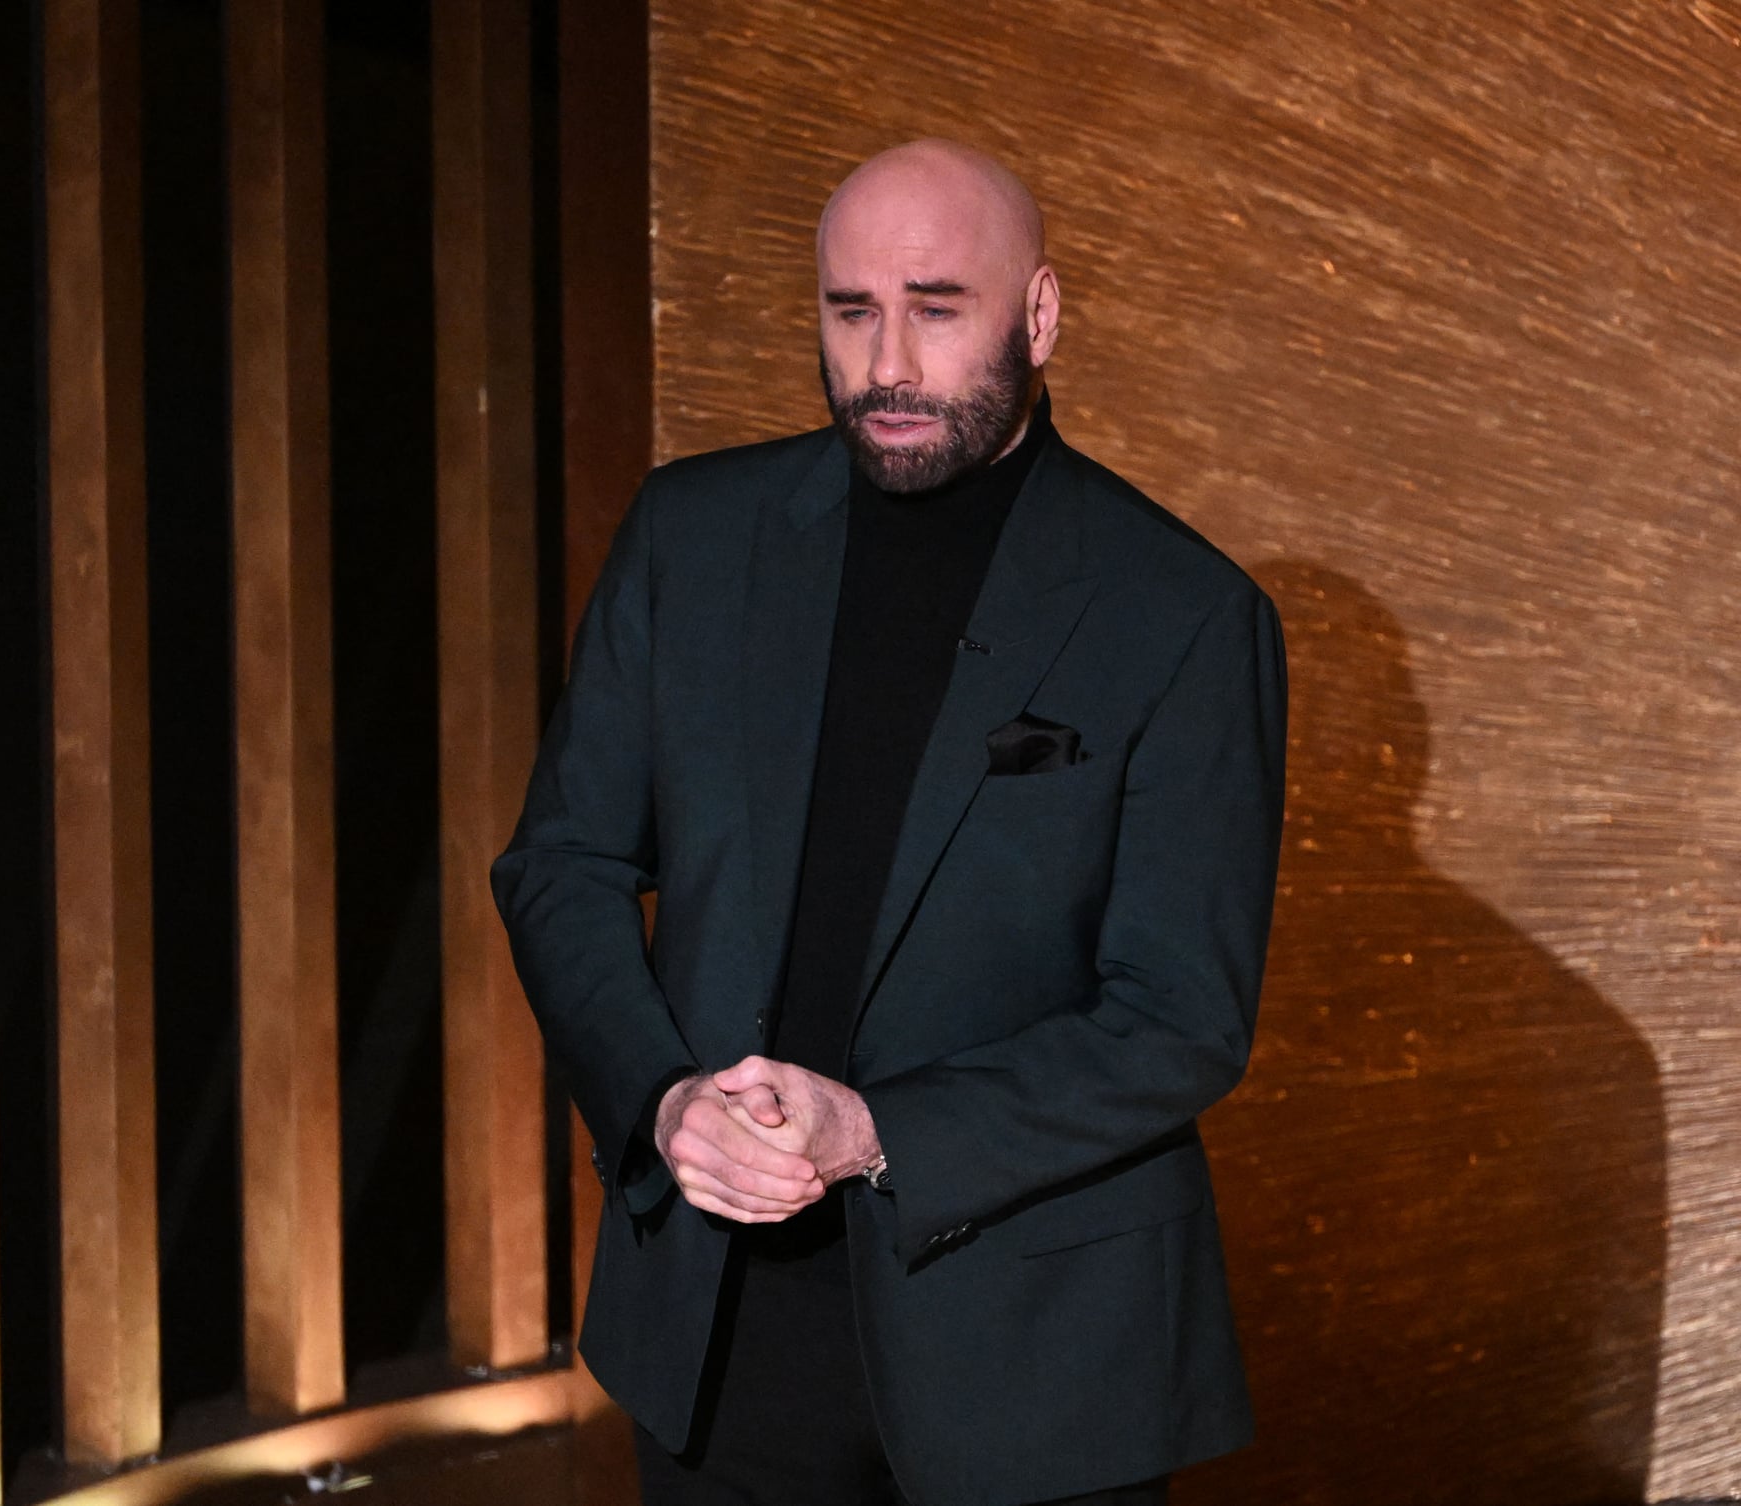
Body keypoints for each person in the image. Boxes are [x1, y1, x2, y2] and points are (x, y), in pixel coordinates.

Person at [491, 138, 1288, 1506]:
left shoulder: (1186, 612)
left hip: (1040, 1362)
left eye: (937, 306)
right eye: (850, 311)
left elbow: (1180, 1017)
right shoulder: (693, 538)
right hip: (720, 1335)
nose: (888, 365)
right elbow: (559, 862)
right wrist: (665, 1099)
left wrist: (882, 1131)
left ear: (1038, 315)